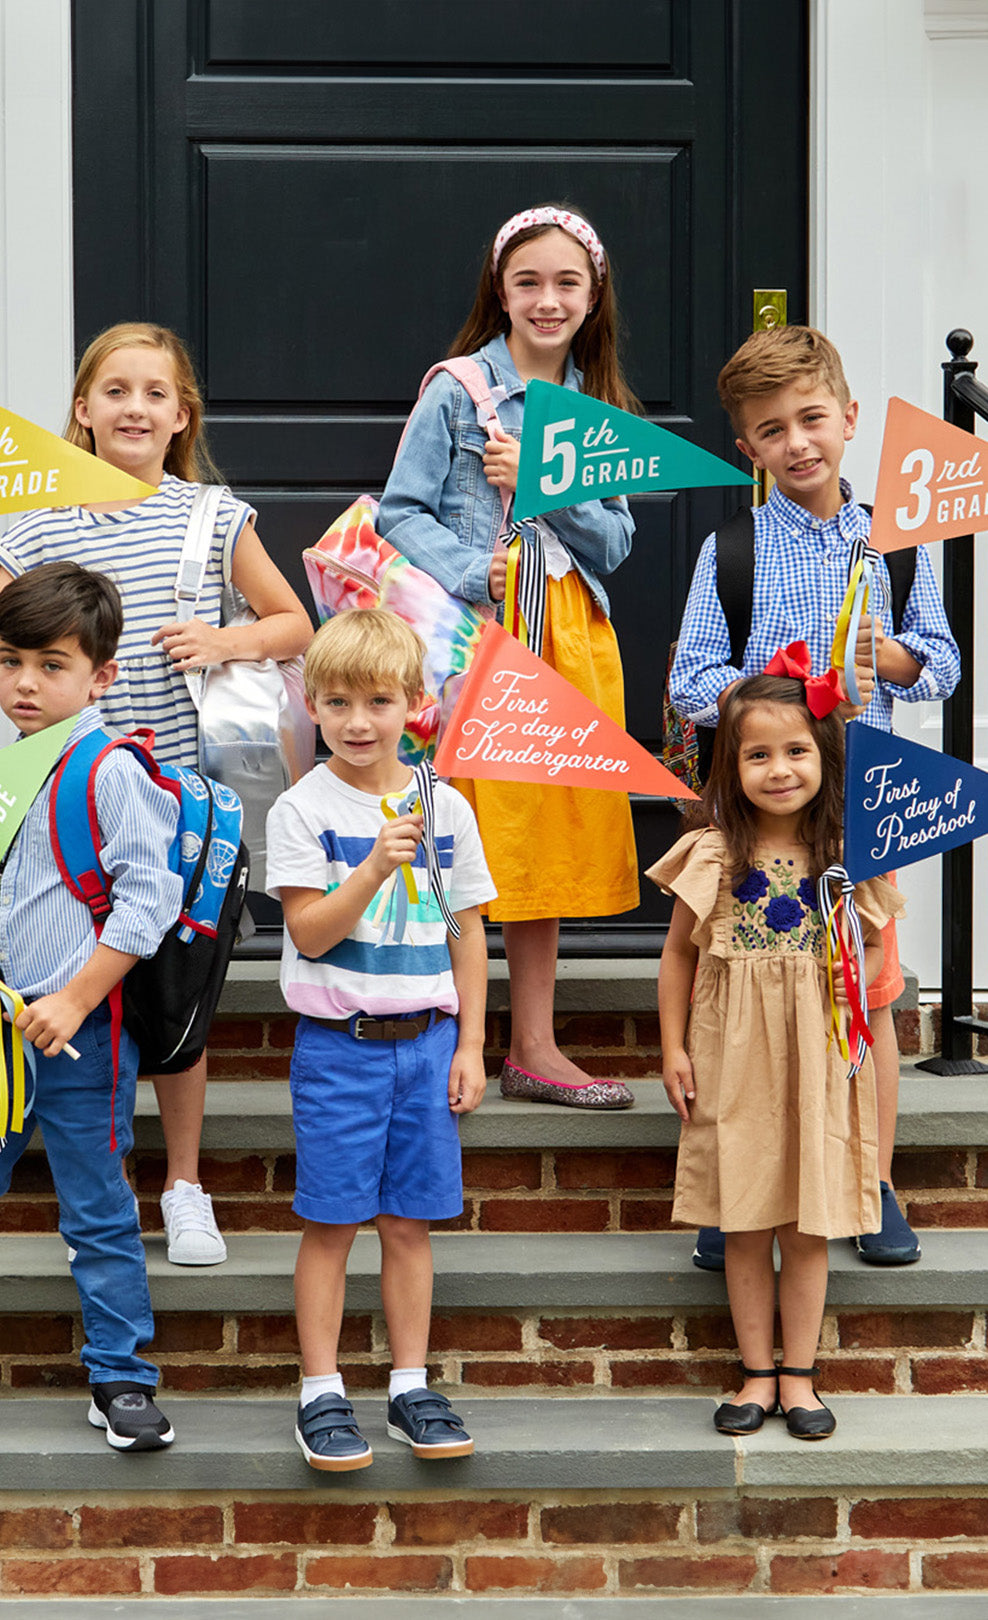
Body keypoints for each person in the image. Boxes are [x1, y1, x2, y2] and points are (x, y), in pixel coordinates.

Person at [0, 322, 314, 1265]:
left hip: (177, 802)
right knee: (81, 986)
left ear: (181, 416)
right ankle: (94, 1183)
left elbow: (295, 622)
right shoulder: (38, 522)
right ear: (82, 410)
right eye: (115, 391)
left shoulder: (213, 516)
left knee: (175, 1001)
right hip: (65, 809)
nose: (134, 407)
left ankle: (184, 1183)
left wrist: (228, 639)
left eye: (154, 393)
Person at [669, 325, 959, 1267]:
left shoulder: (897, 543)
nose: (797, 442)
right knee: (741, 999)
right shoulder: (732, 550)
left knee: (865, 998)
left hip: (862, 810)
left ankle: (871, 1180)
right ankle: (738, 1189)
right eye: (771, 429)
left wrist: (896, 657)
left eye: (811, 419)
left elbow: (945, 665)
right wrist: (770, 690)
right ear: (746, 447)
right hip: (760, 814)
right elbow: (687, 678)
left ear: (849, 419)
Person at [377, 204, 639, 1110]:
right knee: (456, 838)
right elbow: (398, 511)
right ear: (501, 289)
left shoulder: (594, 410)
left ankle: (533, 1044)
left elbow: (614, 546)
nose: (547, 299)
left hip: (570, 639)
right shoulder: (458, 390)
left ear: (593, 294)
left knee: (539, 844)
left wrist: (542, 482)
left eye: (568, 281)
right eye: (528, 280)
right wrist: (470, 571)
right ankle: (453, 1042)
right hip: (476, 642)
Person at [0, 563, 182, 1450]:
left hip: (81, 1037)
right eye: (8, 662)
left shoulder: (109, 769)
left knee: (97, 1208)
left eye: (50, 665)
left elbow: (148, 901)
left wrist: (74, 1000)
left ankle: (120, 1376)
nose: (25, 684)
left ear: (100, 676)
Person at [266, 609, 494, 1470]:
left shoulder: (448, 806)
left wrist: (471, 1043)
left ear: (414, 704)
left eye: (377, 701)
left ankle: (408, 1383)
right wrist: (371, 865)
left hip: (427, 1042)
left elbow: (467, 932)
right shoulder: (301, 810)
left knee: (410, 1223)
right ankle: (320, 1389)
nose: (358, 722)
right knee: (332, 1222)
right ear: (312, 708)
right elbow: (312, 934)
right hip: (339, 1048)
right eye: (336, 704)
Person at [650, 668, 903, 1439]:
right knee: (745, 1221)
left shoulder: (846, 857)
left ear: (826, 757)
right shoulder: (713, 852)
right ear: (731, 765)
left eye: (797, 750)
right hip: (733, 1060)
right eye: (757, 755)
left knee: (808, 1225)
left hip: (821, 1060)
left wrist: (846, 966)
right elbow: (675, 961)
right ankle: (756, 1372)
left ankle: (800, 1374)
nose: (779, 769)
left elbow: (871, 960)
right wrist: (670, 1051)